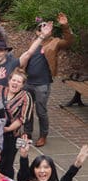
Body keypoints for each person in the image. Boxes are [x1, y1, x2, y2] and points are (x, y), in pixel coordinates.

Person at [19, 13, 73, 147]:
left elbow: (69, 42)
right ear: (37, 32)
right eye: (41, 28)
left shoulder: (55, 42)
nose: (44, 30)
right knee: (27, 108)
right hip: (28, 82)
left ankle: (43, 135)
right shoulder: (33, 43)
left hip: (42, 83)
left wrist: (65, 26)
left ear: (51, 31)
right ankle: (27, 133)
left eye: (47, 28)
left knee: (41, 111)